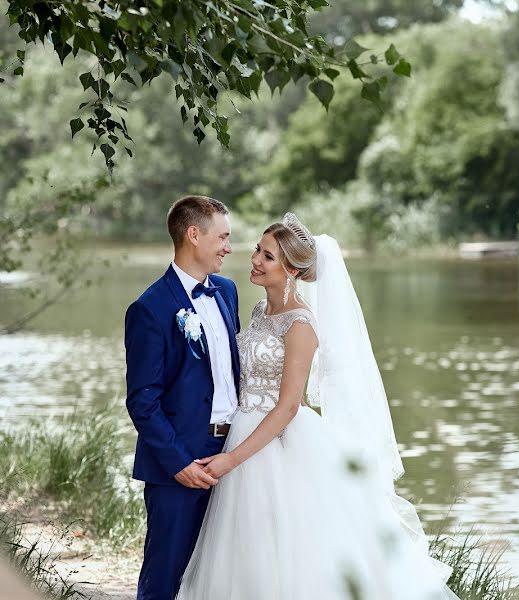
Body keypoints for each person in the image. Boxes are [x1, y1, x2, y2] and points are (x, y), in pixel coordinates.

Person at [176, 214, 458, 600]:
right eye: (258, 249)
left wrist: (231, 459)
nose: (255, 259)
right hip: (244, 426)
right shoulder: (260, 311)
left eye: (269, 257)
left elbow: (290, 405)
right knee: (245, 546)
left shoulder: (301, 325)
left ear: (292, 269)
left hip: (275, 442)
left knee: (290, 549)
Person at [124, 196, 240, 600]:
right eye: (223, 237)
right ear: (194, 235)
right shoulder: (150, 308)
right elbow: (142, 401)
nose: (228, 246)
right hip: (180, 462)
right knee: (166, 574)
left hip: (234, 455)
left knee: (221, 573)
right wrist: (179, 464)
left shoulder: (226, 291)